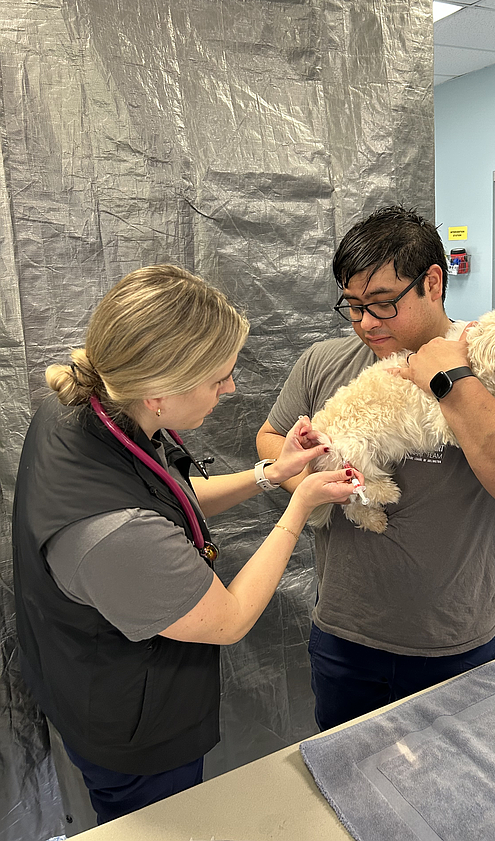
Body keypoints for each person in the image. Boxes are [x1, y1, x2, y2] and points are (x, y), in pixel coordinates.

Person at [12, 264, 361, 824]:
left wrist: (269, 474)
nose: (231, 388)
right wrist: (299, 504)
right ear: (157, 392)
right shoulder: (114, 534)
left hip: (86, 676)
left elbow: (168, 491)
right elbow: (227, 619)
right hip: (134, 732)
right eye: (219, 376)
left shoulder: (83, 409)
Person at [256, 205, 495, 731]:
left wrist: (452, 381)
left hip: (456, 639)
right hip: (345, 635)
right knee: (348, 786)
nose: (365, 323)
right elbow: (270, 441)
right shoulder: (323, 362)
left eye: (382, 304)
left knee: (464, 790)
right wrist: (308, 470)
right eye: (352, 306)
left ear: (432, 282)